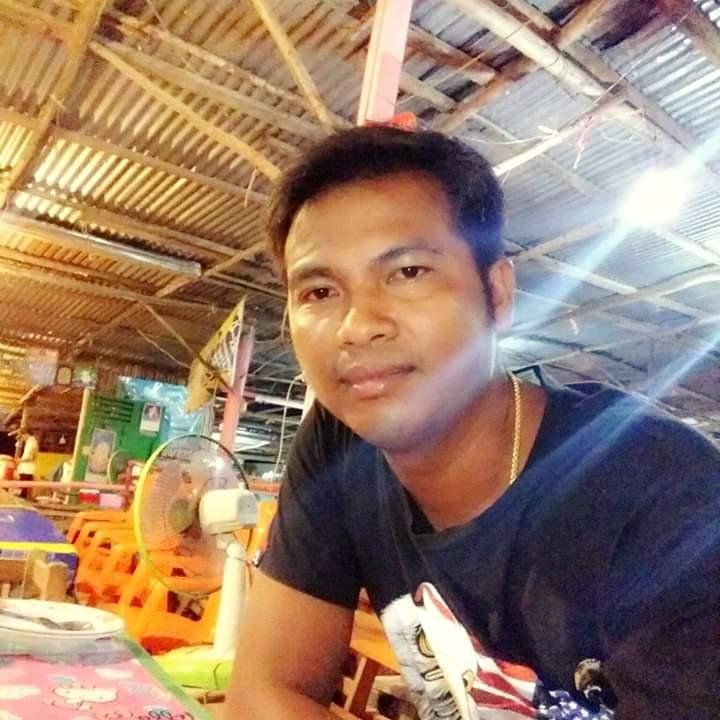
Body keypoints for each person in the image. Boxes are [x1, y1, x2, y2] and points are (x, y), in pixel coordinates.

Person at [225, 127, 720, 720]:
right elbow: (265, 690)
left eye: (408, 272)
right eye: (320, 291)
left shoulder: (668, 499)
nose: (358, 325)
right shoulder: (341, 444)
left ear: (498, 293)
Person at [15, 428, 38, 500]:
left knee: (24, 486)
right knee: (23, 485)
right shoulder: (29, 442)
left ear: (25, 434)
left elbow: (31, 457)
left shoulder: (32, 442)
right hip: (25, 467)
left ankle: (23, 498)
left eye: (22, 436)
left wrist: (20, 460)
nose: (22, 438)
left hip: (28, 468)